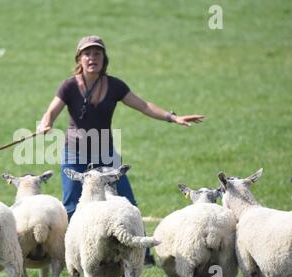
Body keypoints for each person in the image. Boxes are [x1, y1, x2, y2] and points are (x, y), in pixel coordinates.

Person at [37, 35, 204, 265]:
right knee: (72, 205)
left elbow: (143, 105)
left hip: (106, 154)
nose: (92, 58)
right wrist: (45, 123)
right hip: (74, 153)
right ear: (79, 58)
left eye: (97, 53)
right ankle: (74, 257)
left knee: (128, 202)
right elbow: (51, 112)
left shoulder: (114, 85)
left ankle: (141, 254)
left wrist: (172, 117)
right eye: (87, 54)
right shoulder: (69, 86)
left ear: (104, 58)